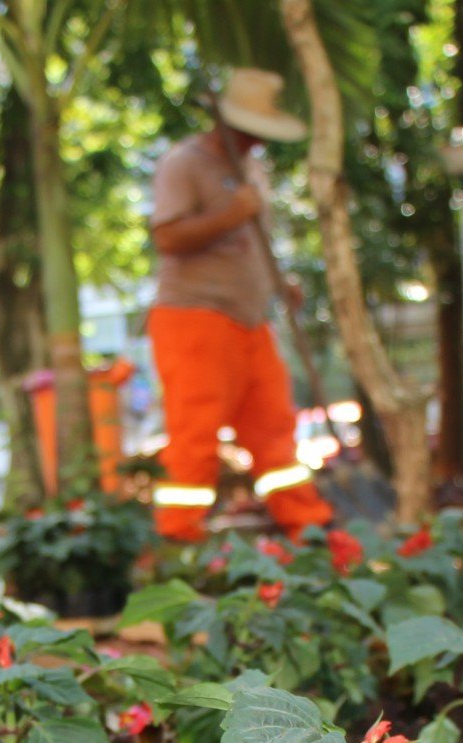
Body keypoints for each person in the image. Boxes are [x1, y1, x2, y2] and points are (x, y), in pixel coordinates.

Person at [146, 68, 334, 543]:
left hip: (250, 321)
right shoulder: (184, 164)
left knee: (274, 428)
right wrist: (231, 213)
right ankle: (180, 540)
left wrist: (277, 283)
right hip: (194, 317)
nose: (257, 141)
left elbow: (252, 240)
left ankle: (307, 529)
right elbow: (167, 236)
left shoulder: (250, 168)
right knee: (196, 434)